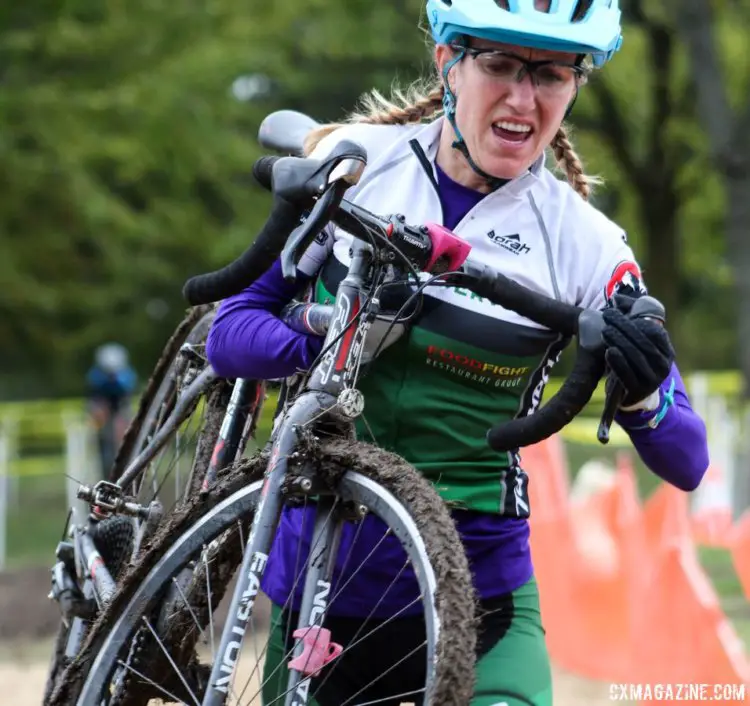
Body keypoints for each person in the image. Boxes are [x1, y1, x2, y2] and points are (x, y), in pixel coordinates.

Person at [206, 1, 709, 703]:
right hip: (322, 590)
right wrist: (332, 330)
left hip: (483, 594)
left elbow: (687, 462)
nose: (522, 98)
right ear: (448, 65)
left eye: (552, 76)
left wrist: (645, 388)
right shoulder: (357, 167)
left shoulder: (587, 245)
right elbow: (230, 333)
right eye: (500, 65)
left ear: (575, 87)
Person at [86, 342, 137, 478]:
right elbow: (96, 399)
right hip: (102, 405)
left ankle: (123, 457)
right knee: (100, 424)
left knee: (122, 426)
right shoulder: (96, 376)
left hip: (120, 406)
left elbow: (126, 395)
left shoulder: (126, 375)